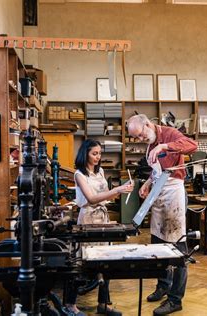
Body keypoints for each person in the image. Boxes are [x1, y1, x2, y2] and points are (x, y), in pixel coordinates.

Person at [127, 114, 197, 315]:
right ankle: (163, 285)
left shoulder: (169, 134)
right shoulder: (150, 141)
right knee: (158, 242)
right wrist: (148, 184)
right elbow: (156, 171)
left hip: (173, 192)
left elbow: (192, 144)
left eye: (140, 135)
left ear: (148, 124)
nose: (141, 140)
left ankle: (175, 299)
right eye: (137, 139)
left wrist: (165, 146)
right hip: (158, 192)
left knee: (177, 247)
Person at [64, 139, 134, 316]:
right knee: (83, 262)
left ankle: (104, 303)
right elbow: (92, 198)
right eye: (94, 153)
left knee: (106, 261)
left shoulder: (100, 171)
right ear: (85, 154)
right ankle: (70, 305)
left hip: (102, 217)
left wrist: (122, 191)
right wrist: (118, 190)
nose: (98, 157)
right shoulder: (79, 175)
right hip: (88, 218)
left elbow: (104, 198)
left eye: (99, 153)